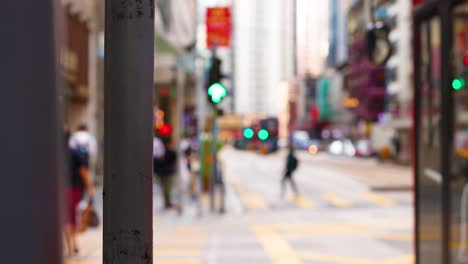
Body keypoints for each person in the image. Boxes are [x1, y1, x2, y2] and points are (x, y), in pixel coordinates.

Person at [64, 144, 95, 257]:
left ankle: (72, 247)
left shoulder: (56, 152)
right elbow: (83, 171)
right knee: (69, 218)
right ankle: (72, 247)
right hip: (74, 189)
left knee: (67, 218)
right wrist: (90, 187)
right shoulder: (74, 152)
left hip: (63, 188)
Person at [157, 139, 177, 209]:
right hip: (167, 173)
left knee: (166, 189)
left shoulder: (162, 152)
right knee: (167, 189)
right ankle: (167, 203)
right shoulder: (169, 152)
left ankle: (167, 203)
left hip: (164, 173)